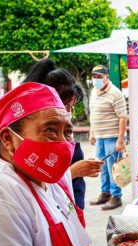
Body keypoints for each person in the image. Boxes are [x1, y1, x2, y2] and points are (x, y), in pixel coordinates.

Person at [0, 82, 104, 246]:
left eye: (67, 131)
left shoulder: (51, 177)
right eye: (50, 129)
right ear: (8, 139)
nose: (63, 142)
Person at [23, 59, 102, 209]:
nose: (68, 113)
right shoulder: (30, 141)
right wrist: (73, 172)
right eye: (65, 106)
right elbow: (38, 185)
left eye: (71, 107)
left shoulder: (62, 130)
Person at [89, 65, 128, 210]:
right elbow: (93, 112)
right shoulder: (94, 91)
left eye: (99, 76)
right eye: (94, 76)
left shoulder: (115, 93)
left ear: (107, 77)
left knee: (113, 168)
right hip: (99, 137)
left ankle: (116, 196)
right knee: (102, 167)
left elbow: (123, 118)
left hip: (112, 137)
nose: (96, 79)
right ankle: (105, 193)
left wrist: (120, 140)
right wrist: (92, 132)